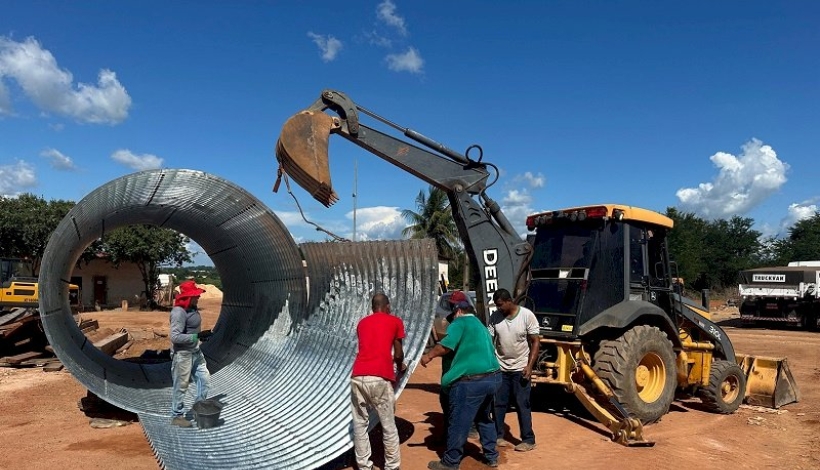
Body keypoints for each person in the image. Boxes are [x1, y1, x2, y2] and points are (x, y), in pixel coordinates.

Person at [422, 292, 501, 470]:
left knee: (458, 422)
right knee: (484, 418)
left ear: (457, 310)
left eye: (451, 309)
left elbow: (445, 346)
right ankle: (491, 456)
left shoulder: (460, 323)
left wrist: (428, 356)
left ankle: (450, 462)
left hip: (471, 382)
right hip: (493, 378)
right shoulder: (479, 324)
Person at [350, 293, 407, 470]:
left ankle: (364, 465)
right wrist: (400, 365)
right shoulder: (394, 321)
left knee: (360, 424)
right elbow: (397, 354)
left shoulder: (362, 323)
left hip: (358, 376)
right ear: (387, 306)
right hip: (379, 378)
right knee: (388, 425)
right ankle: (392, 466)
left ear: (372, 307)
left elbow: (368, 348)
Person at [489, 288, 540, 452]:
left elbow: (535, 342)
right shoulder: (495, 318)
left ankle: (528, 440)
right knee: (499, 404)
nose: (498, 309)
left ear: (509, 301)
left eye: (500, 305)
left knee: (522, 404)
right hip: (501, 369)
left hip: (520, 369)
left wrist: (529, 366)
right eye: (497, 306)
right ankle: (498, 436)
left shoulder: (526, 316)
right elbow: (489, 341)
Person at [169, 279, 211, 427]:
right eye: (195, 295)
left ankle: (199, 409)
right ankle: (177, 416)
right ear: (188, 297)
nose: (198, 297)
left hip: (195, 351)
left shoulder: (192, 308)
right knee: (181, 386)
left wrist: (201, 336)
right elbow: (175, 336)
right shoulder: (179, 312)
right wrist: (196, 337)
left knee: (204, 379)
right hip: (183, 354)